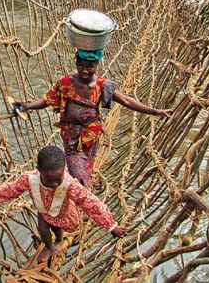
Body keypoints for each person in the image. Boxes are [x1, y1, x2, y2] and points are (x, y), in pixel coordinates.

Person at [14, 49, 171, 187]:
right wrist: (27, 106)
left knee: (87, 169)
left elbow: (126, 100)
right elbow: (47, 100)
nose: (85, 70)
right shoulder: (65, 83)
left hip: (91, 136)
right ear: (76, 62)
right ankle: (80, 203)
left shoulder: (102, 85)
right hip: (71, 137)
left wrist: (153, 111)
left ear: (97, 65)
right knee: (77, 174)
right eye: (80, 65)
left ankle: (82, 199)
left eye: (90, 66)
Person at [0, 146, 127, 262]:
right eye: (49, 180)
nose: (54, 184)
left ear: (64, 171)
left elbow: (91, 203)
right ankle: (50, 246)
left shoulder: (70, 184)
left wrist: (111, 226)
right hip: (43, 211)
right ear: (39, 170)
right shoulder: (28, 179)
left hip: (63, 213)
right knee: (43, 229)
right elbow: (9, 190)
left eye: (57, 179)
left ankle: (59, 240)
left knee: (57, 228)